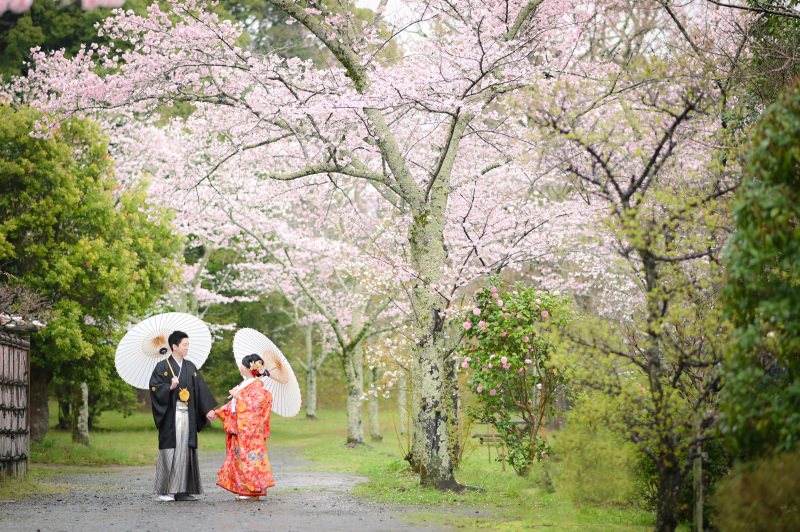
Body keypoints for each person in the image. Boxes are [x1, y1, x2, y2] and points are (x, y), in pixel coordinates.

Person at [149, 330, 218, 502]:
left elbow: (200, 389)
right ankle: (163, 491)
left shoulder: (190, 367)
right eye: (184, 344)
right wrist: (169, 387)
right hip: (171, 416)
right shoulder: (162, 367)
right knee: (170, 451)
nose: (187, 347)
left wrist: (207, 410)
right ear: (174, 346)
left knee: (186, 451)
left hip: (188, 416)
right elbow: (154, 389)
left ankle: (182, 490)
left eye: (188, 344)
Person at [213, 353, 276, 501]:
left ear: (248, 367)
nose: (240, 367)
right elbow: (233, 406)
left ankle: (253, 491)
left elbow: (256, 405)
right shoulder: (245, 385)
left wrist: (238, 396)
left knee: (250, 461)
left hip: (251, 433)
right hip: (241, 429)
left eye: (242, 364)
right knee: (240, 460)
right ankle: (245, 490)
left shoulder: (256, 387)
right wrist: (218, 412)